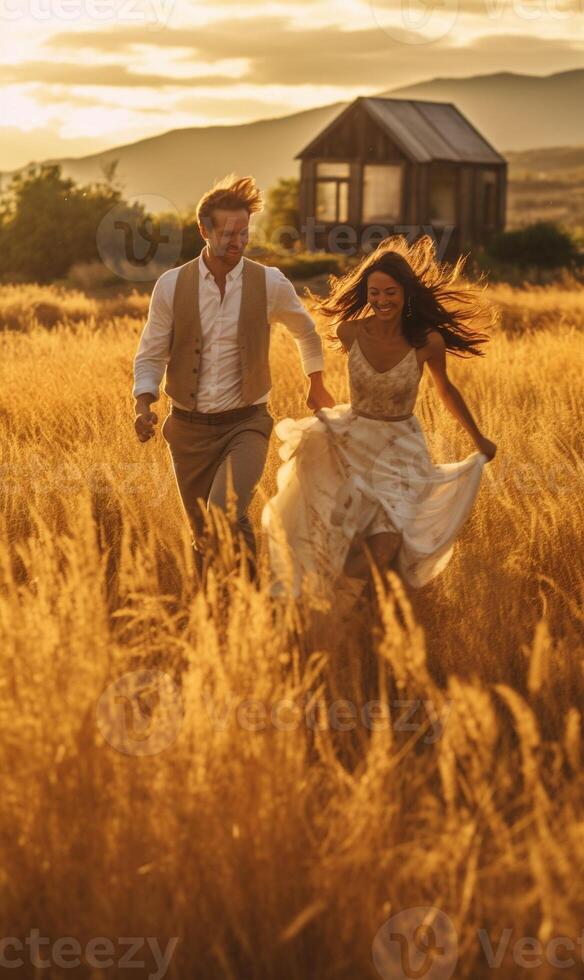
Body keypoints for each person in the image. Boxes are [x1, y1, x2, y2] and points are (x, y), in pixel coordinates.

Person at [261, 234, 498, 609]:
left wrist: (478, 438)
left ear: (405, 293)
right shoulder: (350, 332)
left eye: (390, 292)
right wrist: (317, 389)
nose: (382, 300)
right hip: (352, 443)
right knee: (343, 534)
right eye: (374, 292)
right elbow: (310, 347)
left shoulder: (427, 342)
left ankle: (344, 606)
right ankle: (345, 613)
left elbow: (446, 391)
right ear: (366, 293)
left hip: (400, 451)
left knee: (387, 541)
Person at [132, 173, 335, 583]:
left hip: (246, 423)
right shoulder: (171, 285)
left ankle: (241, 598)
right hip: (186, 430)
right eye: (226, 233)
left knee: (223, 509)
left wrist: (315, 382)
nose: (237, 241)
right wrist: (143, 402)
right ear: (203, 230)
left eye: (243, 232)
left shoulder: (270, 282)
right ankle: (235, 601)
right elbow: (152, 351)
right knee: (205, 533)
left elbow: (306, 332)